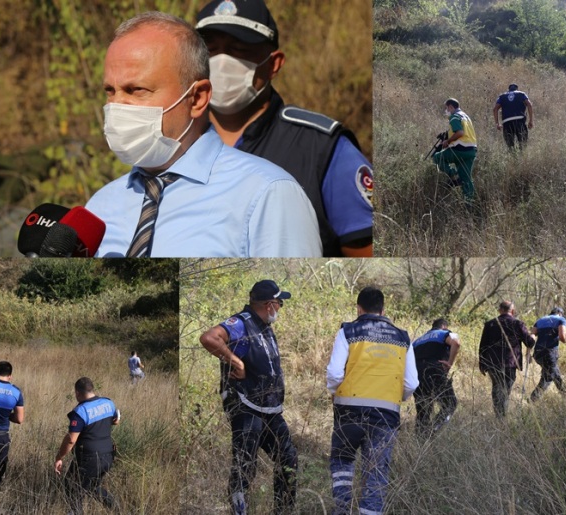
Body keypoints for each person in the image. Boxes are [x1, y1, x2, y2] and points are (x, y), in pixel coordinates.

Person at [85, 12, 321, 258]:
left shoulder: (267, 194)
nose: (118, 105)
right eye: (110, 91)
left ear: (197, 98)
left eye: (137, 90)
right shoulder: (100, 206)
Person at [195, 0, 373, 257]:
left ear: (273, 64)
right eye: (210, 51)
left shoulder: (322, 147)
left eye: (238, 50)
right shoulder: (176, 144)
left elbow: (366, 254)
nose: (221, 63)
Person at [199, 279, 298, 514]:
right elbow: (208, 338)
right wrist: (236, 362)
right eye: (280, 303)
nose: (281, 308)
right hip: (246, 406)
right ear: (270, 304)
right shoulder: (241, 323)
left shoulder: (264, 325)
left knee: (288, 458)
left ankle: (283, 511)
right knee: (245, 464)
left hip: (270, 409)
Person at [326, 287, 418, 515]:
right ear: (383, 309)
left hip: (348, 412)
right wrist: (396, 397)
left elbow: (335, 374)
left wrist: (335, 392)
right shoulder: (403, 337)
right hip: (385, 415)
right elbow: (412, 383)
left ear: (359, 309)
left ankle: (342, 509)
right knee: (376, 474)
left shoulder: (348, 331)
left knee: (342, 462)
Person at [54, 377, 120, 514]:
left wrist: (59, 457)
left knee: (72, 489)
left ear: (77, 393)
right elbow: (115, 420)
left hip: (89, 459)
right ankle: (116, 508)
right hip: (108, 456)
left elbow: (71, 440)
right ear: (92, 389)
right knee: (92, 486)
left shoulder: (80, 412)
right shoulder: (108, 403)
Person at [478, 300, 536, 418]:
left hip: (492, 362)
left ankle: (499, 415)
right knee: (505, 389)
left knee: (497, 387)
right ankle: (501, 416)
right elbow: (529, 343)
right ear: (513, 311)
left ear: (500, 310)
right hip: (510, 362)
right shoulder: (518, 324)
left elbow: (483, 345)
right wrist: (533, 336)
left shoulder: (490, 324)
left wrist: (482, 363)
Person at [411, 318, 460, 435]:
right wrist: (449, 362)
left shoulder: (417, 341)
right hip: (434, 370)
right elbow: (456, 343)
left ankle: (420, 441)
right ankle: (433, 430)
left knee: (423, 410)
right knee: (450, 403)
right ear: (444, 326)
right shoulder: (444, 333)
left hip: (417, 374)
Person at [432, 98, 478, 201]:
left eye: (446, 108)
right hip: (471, 151)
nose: (446, 111)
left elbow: (460, 133)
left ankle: (454, 173)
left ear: (451, 107)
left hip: (459, 150)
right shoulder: (466, 117)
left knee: (437, 157)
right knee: (467, 179)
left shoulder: (454, 117)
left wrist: (447, 142)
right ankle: (469, 204)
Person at [529, 307, 566, 402]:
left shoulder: (540, 320)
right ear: (560, 313)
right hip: (550, 352)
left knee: (555, 372)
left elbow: (532, 336)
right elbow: (563, 337)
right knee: (549, 376)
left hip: (538, 353)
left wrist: (528, 352)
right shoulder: (561, 319)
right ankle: (532, 399)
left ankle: (565, 395)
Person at [493, 83, 533, 150]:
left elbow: (495, 109)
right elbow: (529, 105)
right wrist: (531, 120)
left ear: (509, 89)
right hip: (520, 121)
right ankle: (522, 159)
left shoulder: (502, 96)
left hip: (507, 123)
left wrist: (497, 123)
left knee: (510, 147)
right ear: (517, 88)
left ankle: (513, 158)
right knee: (523, 145)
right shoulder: (522, 94)